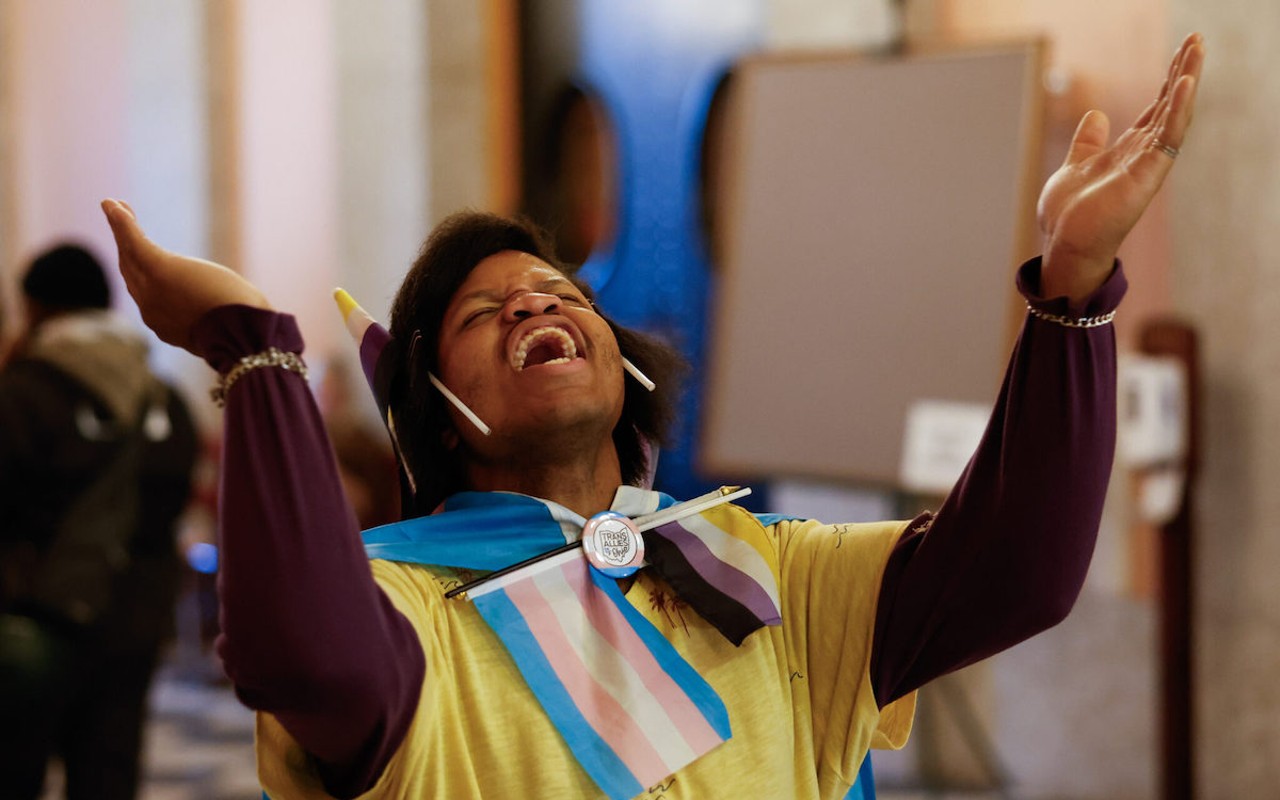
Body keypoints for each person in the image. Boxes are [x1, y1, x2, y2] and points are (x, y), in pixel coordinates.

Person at [99, 34, 1203, 800]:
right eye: (482, 314)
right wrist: (255, 352)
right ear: (434, 415)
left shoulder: (763, 575)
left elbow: (1017, 567)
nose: (533, 299)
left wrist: (1071, 285)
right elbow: (303, 650)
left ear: (624, 375)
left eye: (562, 294)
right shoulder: (406, 611)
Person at [0, 244, 199, 798]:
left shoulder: (23, 392)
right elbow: (174, 501)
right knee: (109, 775)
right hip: (134, 619)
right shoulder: (164, 395)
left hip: (34, 622)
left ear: (36, 307)